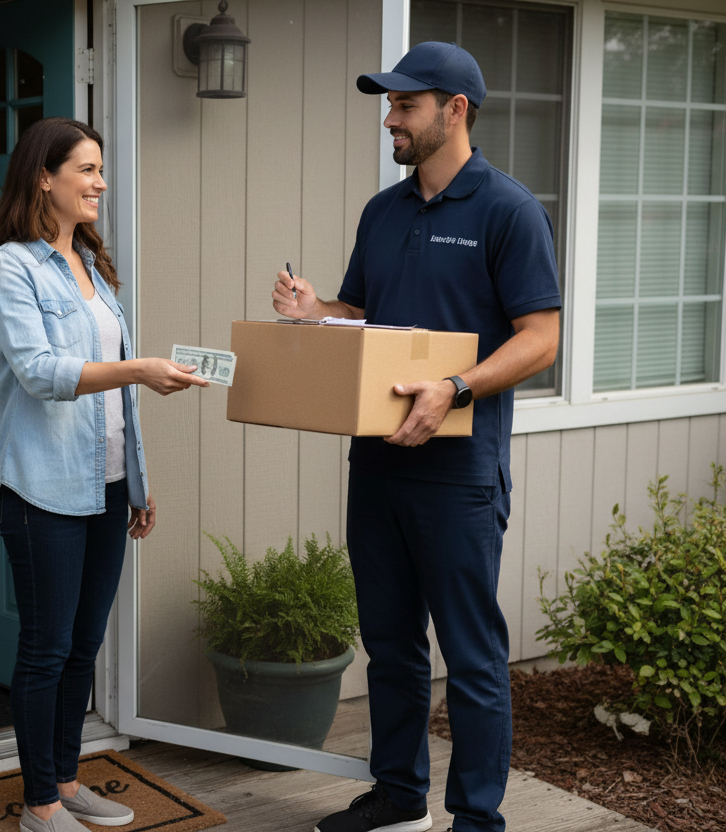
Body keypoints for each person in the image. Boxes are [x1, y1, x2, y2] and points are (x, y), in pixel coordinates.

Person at [271, 42, 561, 832]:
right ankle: (400, 798)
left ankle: (476, 820)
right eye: (390, 105)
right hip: (377, 464)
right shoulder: (383, 210)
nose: (390, 118)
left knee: (470, 658)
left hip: (460, 474)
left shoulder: (508, 210)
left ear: (454, 110)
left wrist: (456, 388)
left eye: (404, 105)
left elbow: (540, 337)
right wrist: (314, 312)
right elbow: (366, 316)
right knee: (391, 645)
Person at [0, 117, 207, 832]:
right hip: (42, 489)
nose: (100, 182)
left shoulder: (95, 267)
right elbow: (42, 374)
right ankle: (39, 805)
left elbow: (114, 398)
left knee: (83, 644)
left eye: (100, 169)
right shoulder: (10, 268)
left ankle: (67, 782)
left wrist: (135, 479)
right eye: (87, 169)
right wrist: (141, 369)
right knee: (45, 650)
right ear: (44, 176)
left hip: (106, 486)